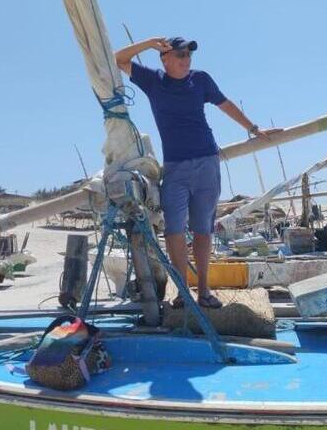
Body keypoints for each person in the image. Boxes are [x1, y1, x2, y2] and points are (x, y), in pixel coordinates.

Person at [115, 36, 279, 308]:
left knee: (203, 231)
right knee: (174, 231)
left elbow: (225, 104)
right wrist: (149, 43)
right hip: (175, 168)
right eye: (180, 55)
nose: (186, 60)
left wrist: (253, 129)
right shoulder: (153, 80)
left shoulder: (200, 79)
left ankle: (203, 291)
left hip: (206, 162)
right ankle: (182, 290)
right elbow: (118, 59)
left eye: (188, 55)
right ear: (165, 59)